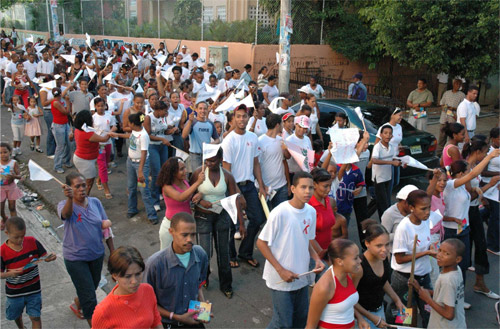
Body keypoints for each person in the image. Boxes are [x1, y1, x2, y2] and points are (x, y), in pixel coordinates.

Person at [257, 171, 325, 329]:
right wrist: (281, 270)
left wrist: (316, 259)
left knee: (301, 320)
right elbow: (261, 243)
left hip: (301, 277)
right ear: (293, 189)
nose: (307, 191)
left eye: (310, 188)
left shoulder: (311, 212)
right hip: (281, 280)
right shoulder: (280, 212)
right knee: (283, 323)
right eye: (303, 187)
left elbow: (306, 240)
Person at [443, 151, 500, 308]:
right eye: (468, 172)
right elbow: (475, 173)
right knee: (450, 269)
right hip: (452, 232)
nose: (471, 174)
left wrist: (479, 190)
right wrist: (489, 157)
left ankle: (457, 300)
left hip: (463, 230)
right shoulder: (451, 185)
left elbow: (468, 200)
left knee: (462, 266)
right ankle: (447, 301)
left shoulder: (462, 189)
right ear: (461, 174)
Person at [58, 173, 112, 326]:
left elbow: (106, 229)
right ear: (69, 189)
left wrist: (113, 252)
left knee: (90, 288)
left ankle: (78, 301)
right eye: (77, 186)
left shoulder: (95, 202)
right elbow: (66, 214)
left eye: (83, 185)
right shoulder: (64, 205)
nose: (82, 188)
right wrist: (69, 198)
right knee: (90, 299)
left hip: (96, 255)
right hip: (76, 259)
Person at [191, 148, 245, 298]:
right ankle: (204, 278)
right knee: (204, 253)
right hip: (202, 217)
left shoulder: (227, 176)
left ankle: (226, 285)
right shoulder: (198, 173)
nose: (209, 164)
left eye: (213, 160)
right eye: (206, 160)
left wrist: (241, 223)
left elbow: (235, 199)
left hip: (222, 217)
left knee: (224, 254)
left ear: (221, 158)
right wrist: (201, 201)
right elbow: (189, 193)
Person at [144, 212, 210, 328]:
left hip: (194, 321)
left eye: (193, 235)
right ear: (171, 232)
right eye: (184, 235)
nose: (190, 240)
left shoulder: (200, 254)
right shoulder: (155, 264)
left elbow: (198, 284)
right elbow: (147, 303)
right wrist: (176, 317)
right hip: (168, 324)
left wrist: (203, 307)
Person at [221, 104, 267, 268]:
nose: (241, 119)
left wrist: (261, 185)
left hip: (249, 186)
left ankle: (245, 252)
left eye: (244, 116)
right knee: (232, 224)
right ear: (233, 119)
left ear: (249, 118)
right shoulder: (228, 140)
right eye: (238, 116)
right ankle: (231, 256)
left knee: (258, 219)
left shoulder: (253, 137)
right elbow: (227, 171)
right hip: (232, 188)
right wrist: (237, 194)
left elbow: (256, 163)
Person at [390, 190, 436, 327]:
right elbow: (399, 259)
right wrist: (426, 253)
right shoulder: (404, 228)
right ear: (411, 208)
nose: (428, 212)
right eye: (423, 209)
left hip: (424, 276)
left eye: (429, 208)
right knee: (407, 317)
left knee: (429, 312)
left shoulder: (426, 221)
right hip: (405, 279)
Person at [1, 216, 56, 329]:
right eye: (16, 237)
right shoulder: (2, 252)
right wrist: (10, 274)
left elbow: (43, 256)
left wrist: (49, 258)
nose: (20, 240)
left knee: (35, 317)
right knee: (16, 315)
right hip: (15, 293)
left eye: (23, 236)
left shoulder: (32, 242)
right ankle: (21, 327)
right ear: (7, 233)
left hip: (33, 290)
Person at [462, 140, 500, 299]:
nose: (485, 156)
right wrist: (489, 185)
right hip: (466, 213)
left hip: (474, 210)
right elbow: (468, 196)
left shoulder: (472, 167)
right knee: (464, 251)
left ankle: (479, 282)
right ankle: (460, 293)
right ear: (477, 152)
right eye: (484, 153)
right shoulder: (464, 168)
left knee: (480, 246)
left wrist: (482, 197)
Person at [91, 246, 162, 329]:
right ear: (115, 276)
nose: (134, 281)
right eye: (128, 276)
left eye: (138, 274)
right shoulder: (103, 311)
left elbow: (156, 321)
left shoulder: (148, 290)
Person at [352, 221, 404, 328]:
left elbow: (381, 281)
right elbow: (349, 298)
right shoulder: (359, 267)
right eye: (379, 245)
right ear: (367, 243)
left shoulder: (384, 257)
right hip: (362, 318)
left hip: (379, 312)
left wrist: (397, 299)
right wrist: (372, 318)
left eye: (387, 244)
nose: (384, 250)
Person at [306, 239, 366, 329]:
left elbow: (347, 303)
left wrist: (360, 318)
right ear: (339, 261)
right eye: (355, 258)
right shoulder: (325, 286)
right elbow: (310, 326)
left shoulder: (349, 274)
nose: (360, 261)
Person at [409, 239, 466, 329]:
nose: (439, 255)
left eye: (446, 254)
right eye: (439, 250)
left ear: (457, 259)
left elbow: (449, 314)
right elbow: (445, 294)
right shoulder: (457, 269)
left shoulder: (447, 280)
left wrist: (428, 299)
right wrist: (421, 290)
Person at [157, 157, 205, 250]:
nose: (185, 171)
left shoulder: (184, 182)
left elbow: (189, 195)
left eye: (185, 167)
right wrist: (198, 182)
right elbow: (180, 197)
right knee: (168, 257)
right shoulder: (167, 187)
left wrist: (200, 194)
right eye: (181, 169)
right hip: (171, 227)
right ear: (173, 173)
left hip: (186, 226)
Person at [124, 112, 159, 224]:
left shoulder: (144, 135)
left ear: (133, 124)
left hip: (140, 164)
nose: (128, 124)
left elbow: (144, 153)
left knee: (144, 190)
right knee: (131, 187)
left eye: (129, 122)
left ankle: (152, 215)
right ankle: (132, 208)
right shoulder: (135, 130)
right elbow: (130, 137)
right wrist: (116, 135)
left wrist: (140, 171)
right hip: (130, 162)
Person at [73, 110, 112, 196]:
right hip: (85, 161)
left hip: (81, 157)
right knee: (88, 183)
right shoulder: (88, 134)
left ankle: (82, 197)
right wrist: (110, 132)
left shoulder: (79, 130)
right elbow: (104, 139)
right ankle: (83, 198)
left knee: (83, 181)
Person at [257, 113, 291, 208]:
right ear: (277, 125)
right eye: (281, 123)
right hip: (267, 188)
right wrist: (262, 185)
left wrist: (286, 148)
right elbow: (256, 165)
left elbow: (287, 158)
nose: (282, 125)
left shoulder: (281, 140)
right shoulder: (260, 141)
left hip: (282, 186)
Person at [144, 100, 171, 209]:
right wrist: (161, 139)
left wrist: (171, 130)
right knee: (156, 172)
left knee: (164, 171)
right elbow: (148, 135)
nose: (166, 113)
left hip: (162, 146)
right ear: (158, 110)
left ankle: (161, 193)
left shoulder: (162, 117)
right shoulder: (148, 118)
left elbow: (164, 131)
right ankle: (154, 200)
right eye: (164, 111)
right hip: (152, 146)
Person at [371, 125, 402, 218]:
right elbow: (374, 160)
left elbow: (394, 158)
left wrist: (401, 162)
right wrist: (391, 162)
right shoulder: (377, 147)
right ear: (381, 135)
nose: (388, 135)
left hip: (388, 177)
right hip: (379, 179)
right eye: (385, 133)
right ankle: (384, 223)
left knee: (383, 200)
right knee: (383, 204)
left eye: (390, 133)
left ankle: (365, 215)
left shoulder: (392, 147)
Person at [182, 101, 220, 173]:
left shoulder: (210, 123)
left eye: (205, 109)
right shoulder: (192, 122)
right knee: (197, 177)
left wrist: (212, 144)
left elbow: (217, 139)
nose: (203, 111)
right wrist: (190, 121)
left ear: (208, 110)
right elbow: (184, 135)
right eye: (200, 108)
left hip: (207, 155)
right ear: (196, 110)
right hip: (195, 156)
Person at [309, 168, 336, 261]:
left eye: (330, 186)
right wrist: (322, 255)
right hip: (314, 256)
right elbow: (307, 236)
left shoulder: (329, 200)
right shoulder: (308, 206)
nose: (329, 190)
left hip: (328, 251)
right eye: (325, 186)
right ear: (314, 185)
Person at [381, 184, 419, 251]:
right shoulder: (389, 214)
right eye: (413, 204)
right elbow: (383, 237)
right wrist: (401, 234)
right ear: (405, 202)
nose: (415, 207)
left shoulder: (414, 212)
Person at [92, 97, 117, 198]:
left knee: (106, 164)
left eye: (102, 106)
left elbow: (114, 126)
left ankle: (98, 180)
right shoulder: (93, 117)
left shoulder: (109, 115)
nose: (101, 108)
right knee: (102, 166)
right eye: (98, 106)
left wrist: (111, 131)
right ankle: (106, 189)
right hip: (99, 144)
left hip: (108, 142)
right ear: (95, 107)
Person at [375, 108, 404, 195]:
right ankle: (385, 202)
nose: (401, 117)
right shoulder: (384, 127)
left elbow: (397, 140)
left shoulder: (399, 127)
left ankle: (375, 192)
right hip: (387, 159)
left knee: (396, 182)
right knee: (389, 185)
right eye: (400, 115)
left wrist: (399, 145)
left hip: (396, 158)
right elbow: (377, 143)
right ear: (392, 115)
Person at [482, 127, 500, 256]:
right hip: (490, 188)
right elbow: (483, 171)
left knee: (491, 213)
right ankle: (492, 245)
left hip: (497, 186)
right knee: (496, 216)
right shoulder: (488, 151)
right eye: (499, 139)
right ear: (493, 138)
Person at [437, 79, 466, 154]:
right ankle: (439, 153)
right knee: (441, 137)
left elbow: (462, 107)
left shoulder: (462, 95)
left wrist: (453, 108)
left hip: (453, 119)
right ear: (453, 84)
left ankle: (449, 152)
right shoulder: (446, 93)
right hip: (444, 118)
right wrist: (446, 108)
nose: (457, 85)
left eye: (459, 84)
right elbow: (441, 104)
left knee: (451, 138)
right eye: (456, 84)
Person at [0, 143, 23, 230]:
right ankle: (4, 218)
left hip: (11, 188)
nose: (3, 154)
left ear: (10, 152)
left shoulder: (13, 163)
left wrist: (14, 176)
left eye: (5, 152)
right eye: (0, 153)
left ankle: (14, 225)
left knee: (12, 207)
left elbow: (19, 175)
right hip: (1, 189)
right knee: (0, 209)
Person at [50, 87, 72, 174]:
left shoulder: (59, 100)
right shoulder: (56, 103)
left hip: (64, 124)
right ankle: (57, 166)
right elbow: (66, 112)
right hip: (58, 126)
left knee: (68, 144)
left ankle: (66, 161)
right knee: (60, 146)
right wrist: (67, 102)